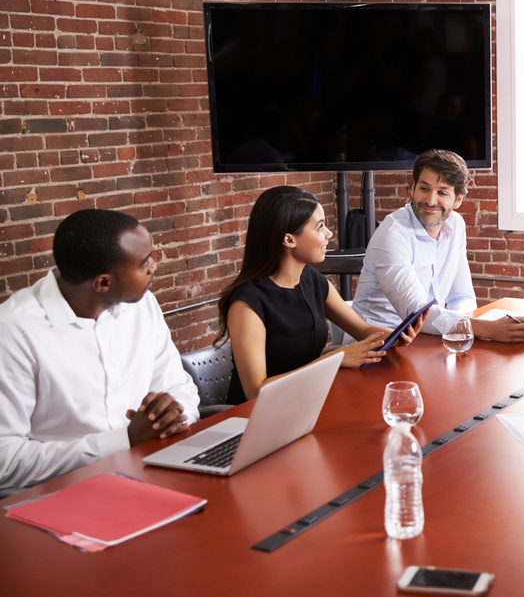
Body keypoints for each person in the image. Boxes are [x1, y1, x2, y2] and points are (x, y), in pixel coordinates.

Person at [0, 209, 200, 497]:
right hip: (64, 494)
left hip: (153, 472)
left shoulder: (142, 305)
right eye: (144, 263)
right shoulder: (14, 332)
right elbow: (5, 460)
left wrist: (173, 416)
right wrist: (124, 440)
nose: (154, 266)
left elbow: (179, 386)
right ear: (103, 283)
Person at [216, 186, 420, 405]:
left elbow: (363, 330)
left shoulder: (312, 280)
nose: (329, 234)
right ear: (289, 240)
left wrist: (396, 337)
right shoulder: (246, 303)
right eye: (320, 227)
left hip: (306, 401)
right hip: (256, 418)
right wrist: (334, 359)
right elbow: (256, 392)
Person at [351, 149, 524, 342]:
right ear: (413, 188)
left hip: (425, 341)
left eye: (442, 192)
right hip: (375, 347)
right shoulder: (393, 234)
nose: (431, 201)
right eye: (424, 189)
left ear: (457, 200)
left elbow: (462, 297)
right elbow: (417, 314)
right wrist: (486, 329)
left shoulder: (456, 225)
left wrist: (461, 333)